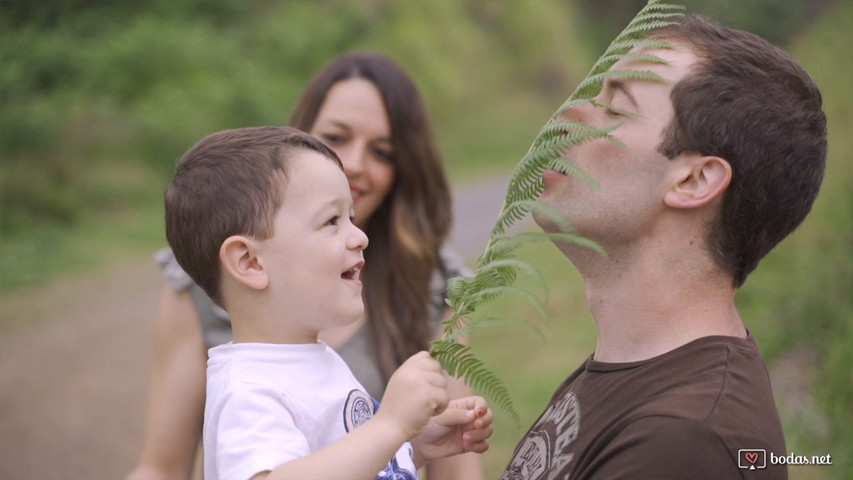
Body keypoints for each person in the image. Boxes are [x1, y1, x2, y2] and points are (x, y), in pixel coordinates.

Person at [501, 13, 826, 480]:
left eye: (615, 109)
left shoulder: (684, 442)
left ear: (695, 180)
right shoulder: (635, 371)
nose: (567, 116)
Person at [127, 52, 482, 479]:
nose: (359, 236)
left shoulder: (311, 360)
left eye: (383, 151)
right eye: (332, 220)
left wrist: (411, 449)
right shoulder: (251, 389)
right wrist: (388, 426)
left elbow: (335, 456)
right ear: (249, 263)